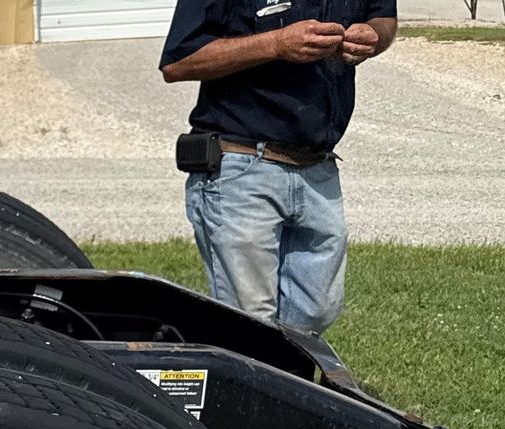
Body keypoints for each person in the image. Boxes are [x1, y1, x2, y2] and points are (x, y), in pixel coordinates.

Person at [160, 2, 397, 336]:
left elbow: (383, 15)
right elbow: (178, 62)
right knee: (248, 320)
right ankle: (235, 367)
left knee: (317, 311)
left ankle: (271, 367)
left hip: (318, 167)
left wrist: (374, 35)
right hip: (241, 164)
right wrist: (276, 43)